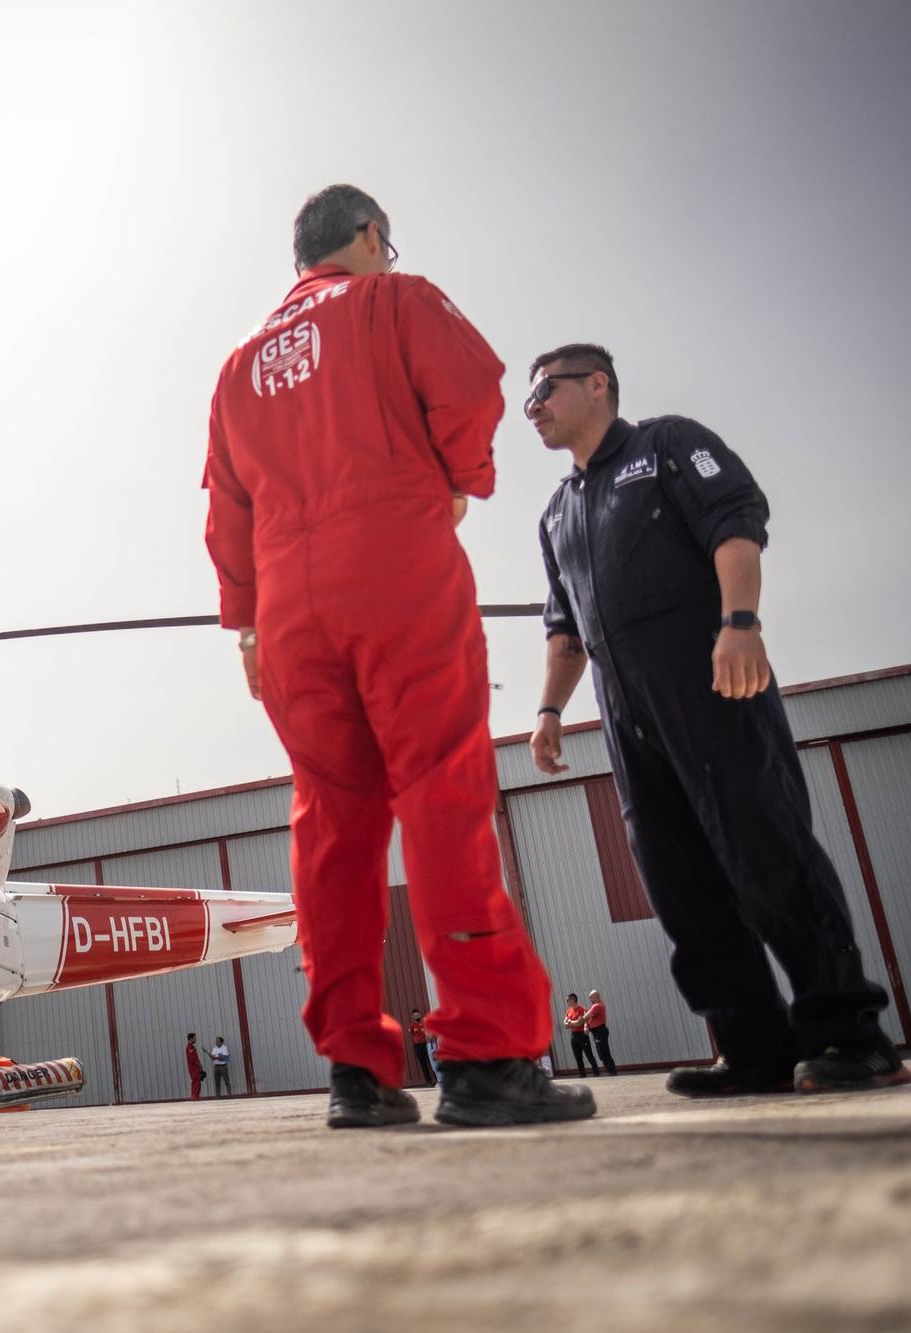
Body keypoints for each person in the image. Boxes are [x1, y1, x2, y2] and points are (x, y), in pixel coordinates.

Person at [203, 184, 593, 1130]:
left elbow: (226, 513)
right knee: (441, 791)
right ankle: (488, 1055)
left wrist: (250, 625)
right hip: (395, 570)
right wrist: (462, 479)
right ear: (371, 237)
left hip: (291, 611)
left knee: (331, 825)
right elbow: (472, 389)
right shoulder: (398, 297)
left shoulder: (237, 368)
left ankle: (358, 1072)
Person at [526, 343, 910, 1098]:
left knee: (767, 852)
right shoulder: (556, 512)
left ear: (597, 384)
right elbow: (565, 626)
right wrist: (548, 709)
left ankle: (850, 1034)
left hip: (710, 681)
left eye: (544, 390)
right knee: (680, 881)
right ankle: (754, 1048)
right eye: (526, 400)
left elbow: (736, 521)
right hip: (627, 713)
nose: (532, 408)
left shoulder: (667, 444)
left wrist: (741, 620)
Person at [563, 993, 601, 1076]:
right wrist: (573, 1023)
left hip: (582, 1035)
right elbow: (565, 1024)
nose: (566, 1002)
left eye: (567, 1000)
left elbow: (580, 1023)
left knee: (589, 1055)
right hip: (574, 1035)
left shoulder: (582, 1009)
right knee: (578, 1057)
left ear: (573, 1000)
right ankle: (582, 1075)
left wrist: (570, 1022)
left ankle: (596, 1074)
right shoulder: (568, 1011)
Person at [584, 990, 618, 1075]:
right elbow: (587, 1019)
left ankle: (612, 1072)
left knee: (604, 1053)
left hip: (600, 1031)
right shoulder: (595, 1006)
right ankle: (610, 1071)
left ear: (596, 996)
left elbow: (586, 1017)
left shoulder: (597, 1006)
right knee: (601, 1053)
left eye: (591, 997)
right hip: (596, 1032)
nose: (589, 999)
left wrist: (585, 1015)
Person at [407, 1010, 435, 1086]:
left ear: (420, 1014)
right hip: (418, 1046)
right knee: (423, 1064)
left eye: (417, 1015)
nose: (416, 1017)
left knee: (431, 1062)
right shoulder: (412, 1025)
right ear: (413, 1017)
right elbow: (412, 1034)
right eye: (415, 1016)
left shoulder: (424, 1022)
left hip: (426, 1044)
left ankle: (437, 1079)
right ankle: (428, 1081)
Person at [185, 1032, 206, 1101]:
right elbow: (193, 1059)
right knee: (196, 1082)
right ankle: (194, 1097)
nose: (195, 1039)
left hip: (195, 1068)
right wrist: (199, 1065)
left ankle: (196, 1097)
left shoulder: (192, 1047)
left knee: (197, 1082)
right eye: (194, 1038)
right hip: (193, 1068)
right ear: (191, 1038)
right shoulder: (189, 1048)